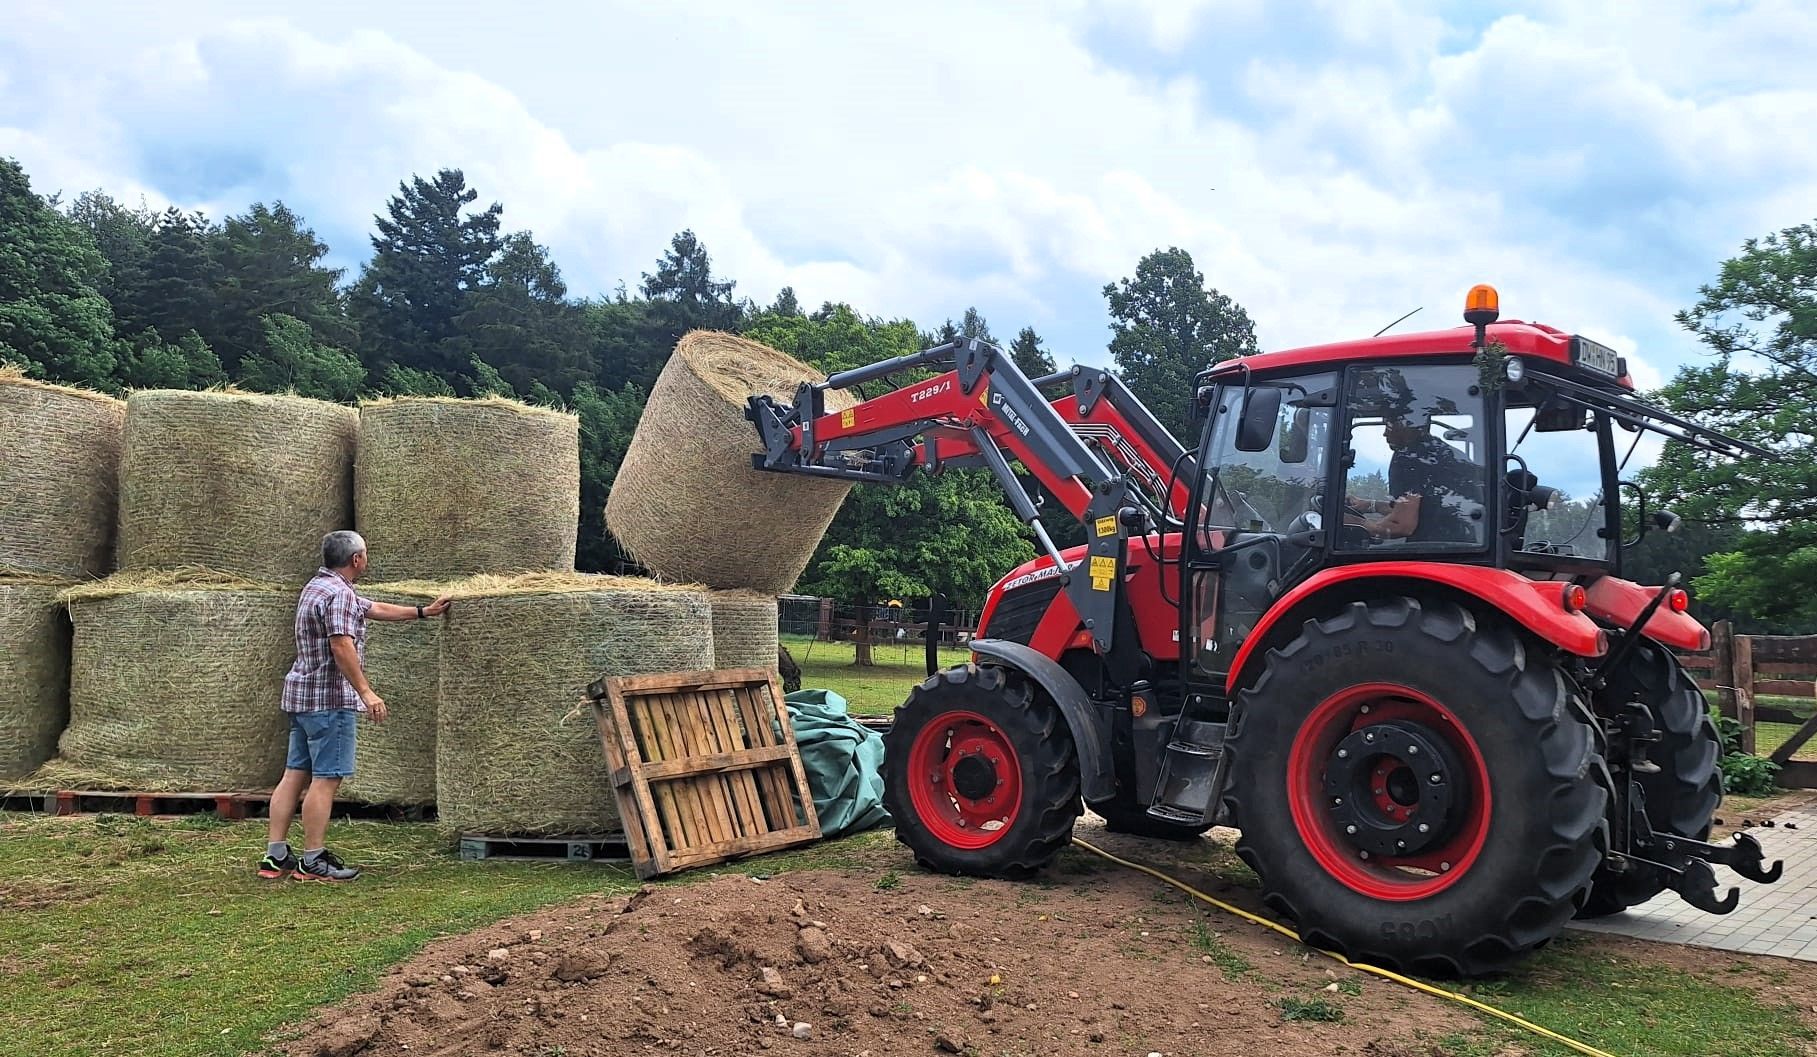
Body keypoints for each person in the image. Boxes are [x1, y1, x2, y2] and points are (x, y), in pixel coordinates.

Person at [259, 530, 452, 881]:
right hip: (329, 701)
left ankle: (275, 855)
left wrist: (423, 612)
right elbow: (341, 645)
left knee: (294, 775)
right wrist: (366, 692)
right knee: (326, 779)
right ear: (356, 559)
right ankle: (313, 859)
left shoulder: (318, 587)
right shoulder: (339, 594)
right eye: (365, 554)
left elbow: (373, 608)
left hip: (302, 698)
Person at [1345, 410, 1478, 544]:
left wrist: (1357, 523)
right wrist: (1370, 505)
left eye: (1389, 425)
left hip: (1433, 549)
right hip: (1465, 544)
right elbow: (1415, 509)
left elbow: (1402, 525)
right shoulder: (1449, 455)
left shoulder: (1408, 457)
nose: (1385, 433)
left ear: (1407, 425)